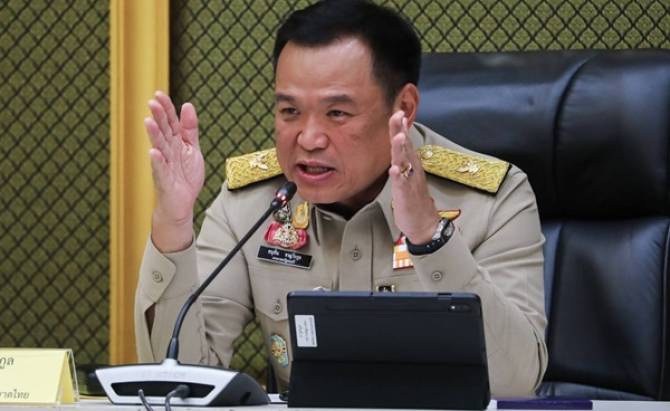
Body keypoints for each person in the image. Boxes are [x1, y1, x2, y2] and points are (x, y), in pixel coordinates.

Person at [135, 0, 547, 396]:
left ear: (403, 108)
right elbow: (179, 384)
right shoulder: (254, 201)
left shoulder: (492, 200)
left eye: (337, 113)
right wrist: (173, 223)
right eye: (290, 112)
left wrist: (429, 236)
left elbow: (516, 382)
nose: (309, 139)